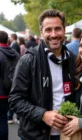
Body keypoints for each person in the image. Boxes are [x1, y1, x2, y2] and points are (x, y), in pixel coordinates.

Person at [8, 9, 76, 140]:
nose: (54, 34)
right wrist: (43, 115)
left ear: (64, 30)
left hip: (67, 134)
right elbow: (15, 100)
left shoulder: (73, 60)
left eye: (58, 29)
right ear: (41, 32)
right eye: (48, 30)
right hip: (35, 135)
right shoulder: (28, 60)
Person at [0, 31, 20, 140]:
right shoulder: (15, 54)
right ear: (7, 40)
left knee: (2, 120)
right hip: (12, 91)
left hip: (1, 92)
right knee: (3, 120)